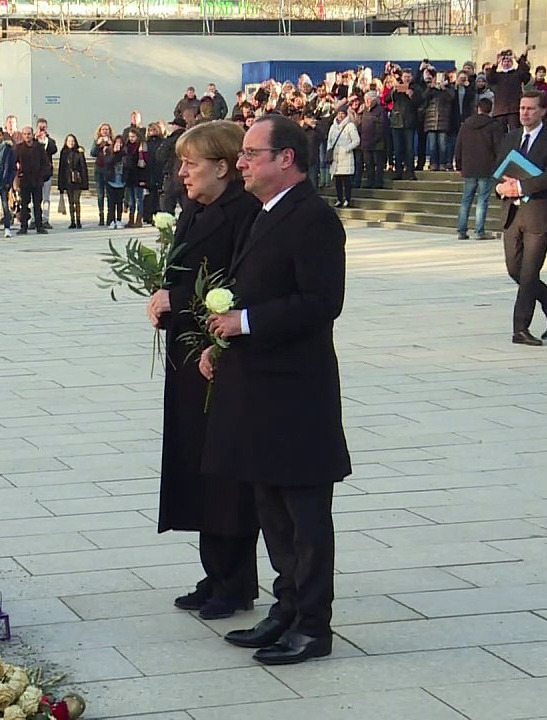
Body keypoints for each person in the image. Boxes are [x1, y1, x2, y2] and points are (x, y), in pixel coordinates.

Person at [201, 114, 349, 666]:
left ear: (286, 158)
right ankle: (285, 609)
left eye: (250, 154)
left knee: (306, 518)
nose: (240, 162)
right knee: (272, 511)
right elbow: (250, 289)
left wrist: (247, 323)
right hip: (259, 391)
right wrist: (223, 344)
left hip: (296, 395)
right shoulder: (268, 213)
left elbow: (320, 302)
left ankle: (313, 625)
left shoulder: (313, 218)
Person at [145, 120, 260, 621]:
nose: (183, 172)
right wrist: (162, 298)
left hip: (221, 356)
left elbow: (240, 285)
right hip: (188, 354)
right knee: (196, 463)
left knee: (224, 470)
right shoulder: (195, 209)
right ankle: (214, 571)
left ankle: (235, 582)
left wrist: (184, 301)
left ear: (223, 166)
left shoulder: (243, 213)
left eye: (192, 163)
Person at [496, 91, 547, 346]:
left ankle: (520, 328)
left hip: (539, 214)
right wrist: (500, 188)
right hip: (512, 212)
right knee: (514, 270)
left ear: (543, 111)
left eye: (530, 108)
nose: (524, 112)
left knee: (529, 274)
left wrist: (520, 187)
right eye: (522, 108)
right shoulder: (510, 137)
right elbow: (500, 171)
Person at [454, 98, 506, 240]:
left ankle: (461, 230)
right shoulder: (494, 125)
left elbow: (459, 146)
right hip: (486, 166)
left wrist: (459, 165)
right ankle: (479, 231)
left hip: (469, 166)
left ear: (478, 108)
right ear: (491, 109)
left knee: (466, 199)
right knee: (482, 200)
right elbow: (499, 148)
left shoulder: (466, 125)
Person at [13, 126, 50, 235]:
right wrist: (16, 177)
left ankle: (39, 226)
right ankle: (23, 226)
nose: (27, 136)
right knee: (24, 204)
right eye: (24, 134)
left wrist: (42, 175)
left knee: (37, 204)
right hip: (24, 180)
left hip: (37, 180)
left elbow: (45, 163)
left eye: (28, 134)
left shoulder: (39, 147)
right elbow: (13, 164)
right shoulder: (18, 148)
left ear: (32, 135)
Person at [487, 48, 532, 131]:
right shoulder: (498, 75)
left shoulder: (516, 73)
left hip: (514, 109)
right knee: (500, 134)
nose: (506, 63)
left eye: (508, 61)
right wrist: (495, 64)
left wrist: (518, 59)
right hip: (500, 110)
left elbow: (525, 72)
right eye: (504, 61)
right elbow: (489, 78)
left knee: (515, 132)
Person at [325, 107, 359, 208]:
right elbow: (329, 140)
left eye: (342, 114)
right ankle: (339, 199)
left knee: (346, 180)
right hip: (335, 157)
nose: (340, 116)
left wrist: (347, 148)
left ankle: (347, 199)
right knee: (338, 181)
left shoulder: (350, 126)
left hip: (346, 156)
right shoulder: (333, 127)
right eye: (339, 113)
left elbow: (356, 140)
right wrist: (329, 150)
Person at [358, 91, 386, 189]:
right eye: (366, 99)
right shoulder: (364, 110)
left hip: (377, 142)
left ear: (374, 100)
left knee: (378, 164)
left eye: (369, 99)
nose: (367, 101)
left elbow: (383, 126)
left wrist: (376, 138)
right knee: (368, 164)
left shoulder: (381, 110)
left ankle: (378, 182)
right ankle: (370, 182)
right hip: (365, 142)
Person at [89, 123, 115, 225]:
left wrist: (111, 144)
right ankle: (101, 215)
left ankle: (109, 215)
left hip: (109, 170)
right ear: (100, 131)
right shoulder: (97, 141)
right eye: (103, 129)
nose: (105, 131)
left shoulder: (112, 141)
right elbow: (92, 153)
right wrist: (97, 144)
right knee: (100, 194)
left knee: (109, 194)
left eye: (107, 129)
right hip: (99, 170)